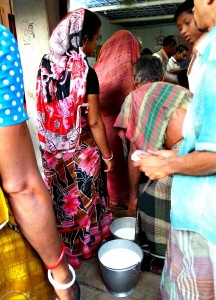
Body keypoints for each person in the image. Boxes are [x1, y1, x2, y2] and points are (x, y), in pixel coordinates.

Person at [135, 0, 216, 298]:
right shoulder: (211, 49)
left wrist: (167, 166)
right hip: (200, 210)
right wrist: (174, 154)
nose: (186, 28)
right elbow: (209, 136)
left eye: (187, 20)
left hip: (208, 216)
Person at [0, 24, 76, 299]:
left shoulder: (45, 65)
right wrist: (62, 275)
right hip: (73, 147)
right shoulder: (0, 44)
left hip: (50, 145)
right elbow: (21, 186)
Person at [36, 8, 114, 269]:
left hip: (53, 155)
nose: (96, 44)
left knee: (62, 202)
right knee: (83, 200)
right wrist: (108, 156)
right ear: (83, 39)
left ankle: (65, 251)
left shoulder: (46, 67)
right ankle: (85, 250)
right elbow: (93, 120)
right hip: (82, 153)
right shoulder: (86, 72)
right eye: (95, 39)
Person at [114, 55, 192, 274]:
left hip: (184, 150)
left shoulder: (135, 97)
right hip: (204, 146)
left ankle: (161, 260)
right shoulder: (173, 89)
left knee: (149, 201)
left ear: (136, 80)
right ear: (159, 75)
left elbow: (134, 153)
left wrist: (132, 198)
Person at [93, 30, 140, 209]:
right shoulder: (125, 70)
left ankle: (109, 201)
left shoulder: (97, 69)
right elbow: (132, 98)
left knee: (105, 168)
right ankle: (120, 199)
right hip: (113, 127)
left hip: (94, 127)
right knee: (117, 163)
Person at [174, 0, 207, 92]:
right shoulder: (196, 52)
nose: (183, 31)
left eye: (187, 22)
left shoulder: (212, 46)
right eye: (180, 28)